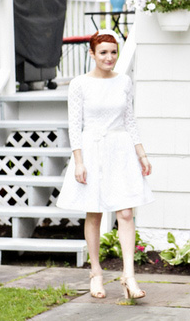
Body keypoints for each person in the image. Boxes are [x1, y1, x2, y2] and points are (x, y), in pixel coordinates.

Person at [56, 29, 154, 300]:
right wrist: (78, 161)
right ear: (92, 54)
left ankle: (129, 276)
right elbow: (74, 125)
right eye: (103, 53)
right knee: (95, 213)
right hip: (92, 151)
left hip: (121, 150)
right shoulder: (79, 84)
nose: (109, 57)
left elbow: (130, 120)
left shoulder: (124, 81)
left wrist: (142, 154)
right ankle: (96, 272)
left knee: (125, 214)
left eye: (113, 52)